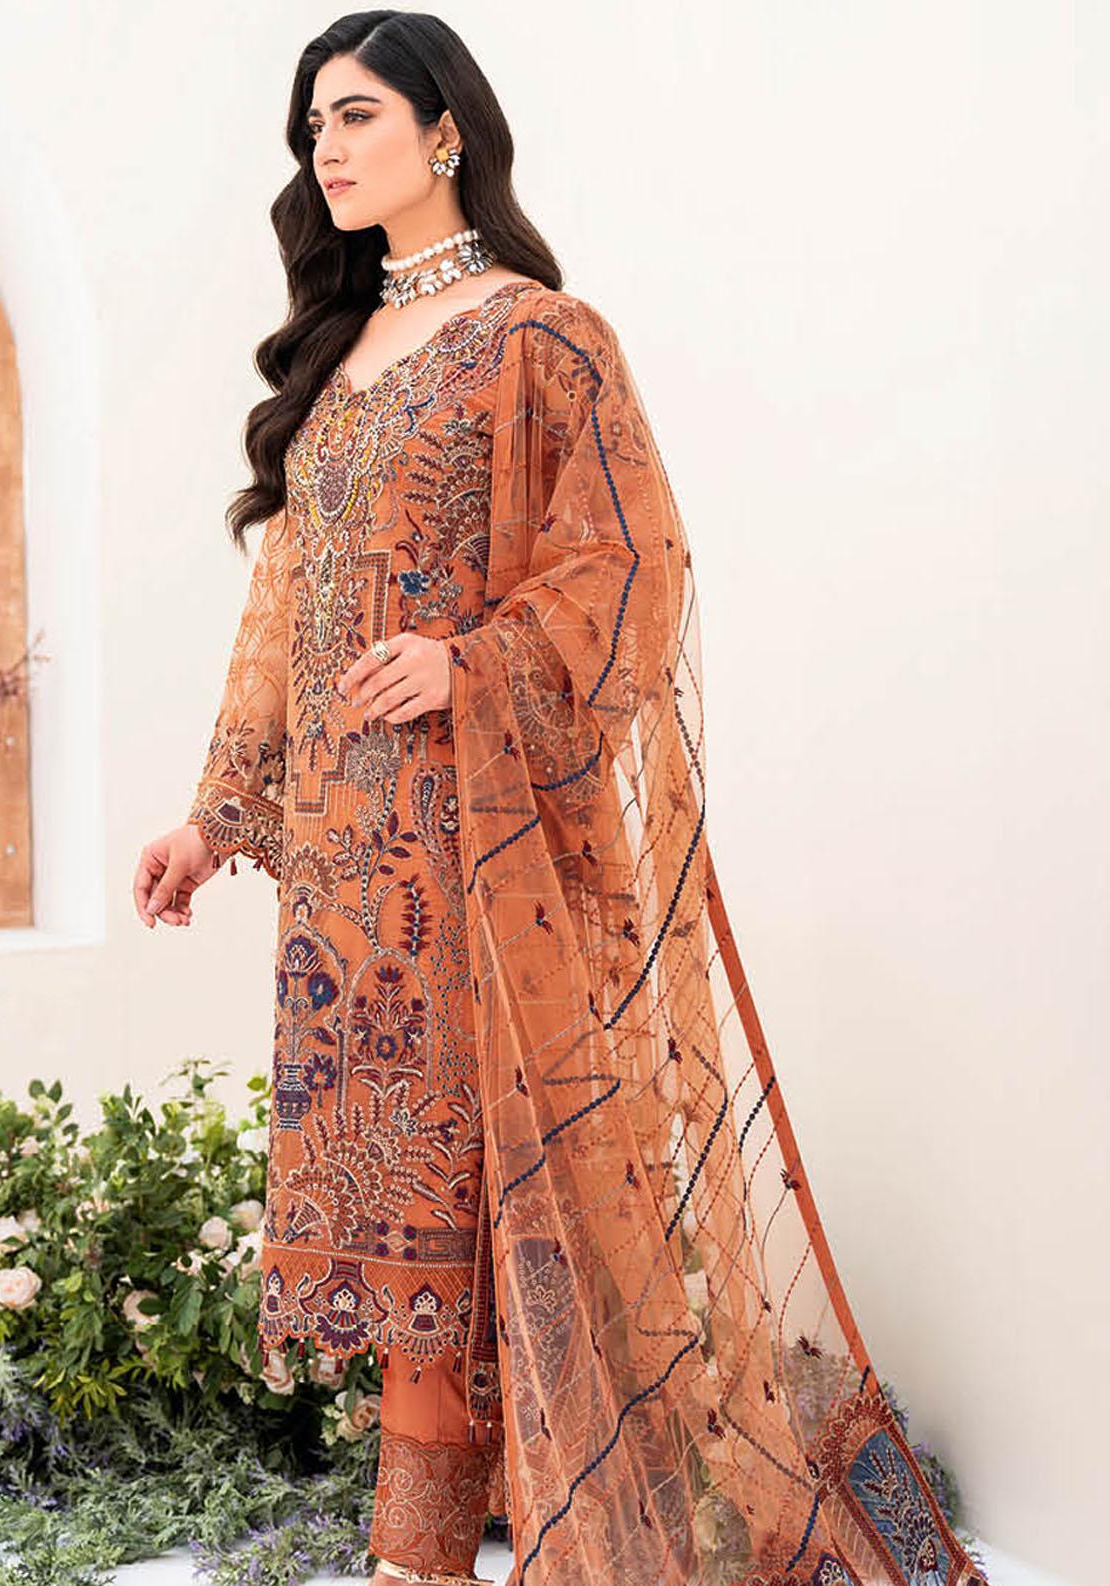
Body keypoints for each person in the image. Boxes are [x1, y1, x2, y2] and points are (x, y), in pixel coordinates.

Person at [133, 13, 990, 1586]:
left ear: (444, 129)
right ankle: (421, 1560)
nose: (325, 148)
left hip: (492, 862)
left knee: (504, 1212)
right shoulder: (337, 360)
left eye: (355, 114)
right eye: (311, 126)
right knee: (403, 1232)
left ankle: (503, 1548)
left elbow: (628, 569)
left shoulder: (543, 338)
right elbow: (282, 616)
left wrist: (469, 661)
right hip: (349, 891)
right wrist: (214, 817)